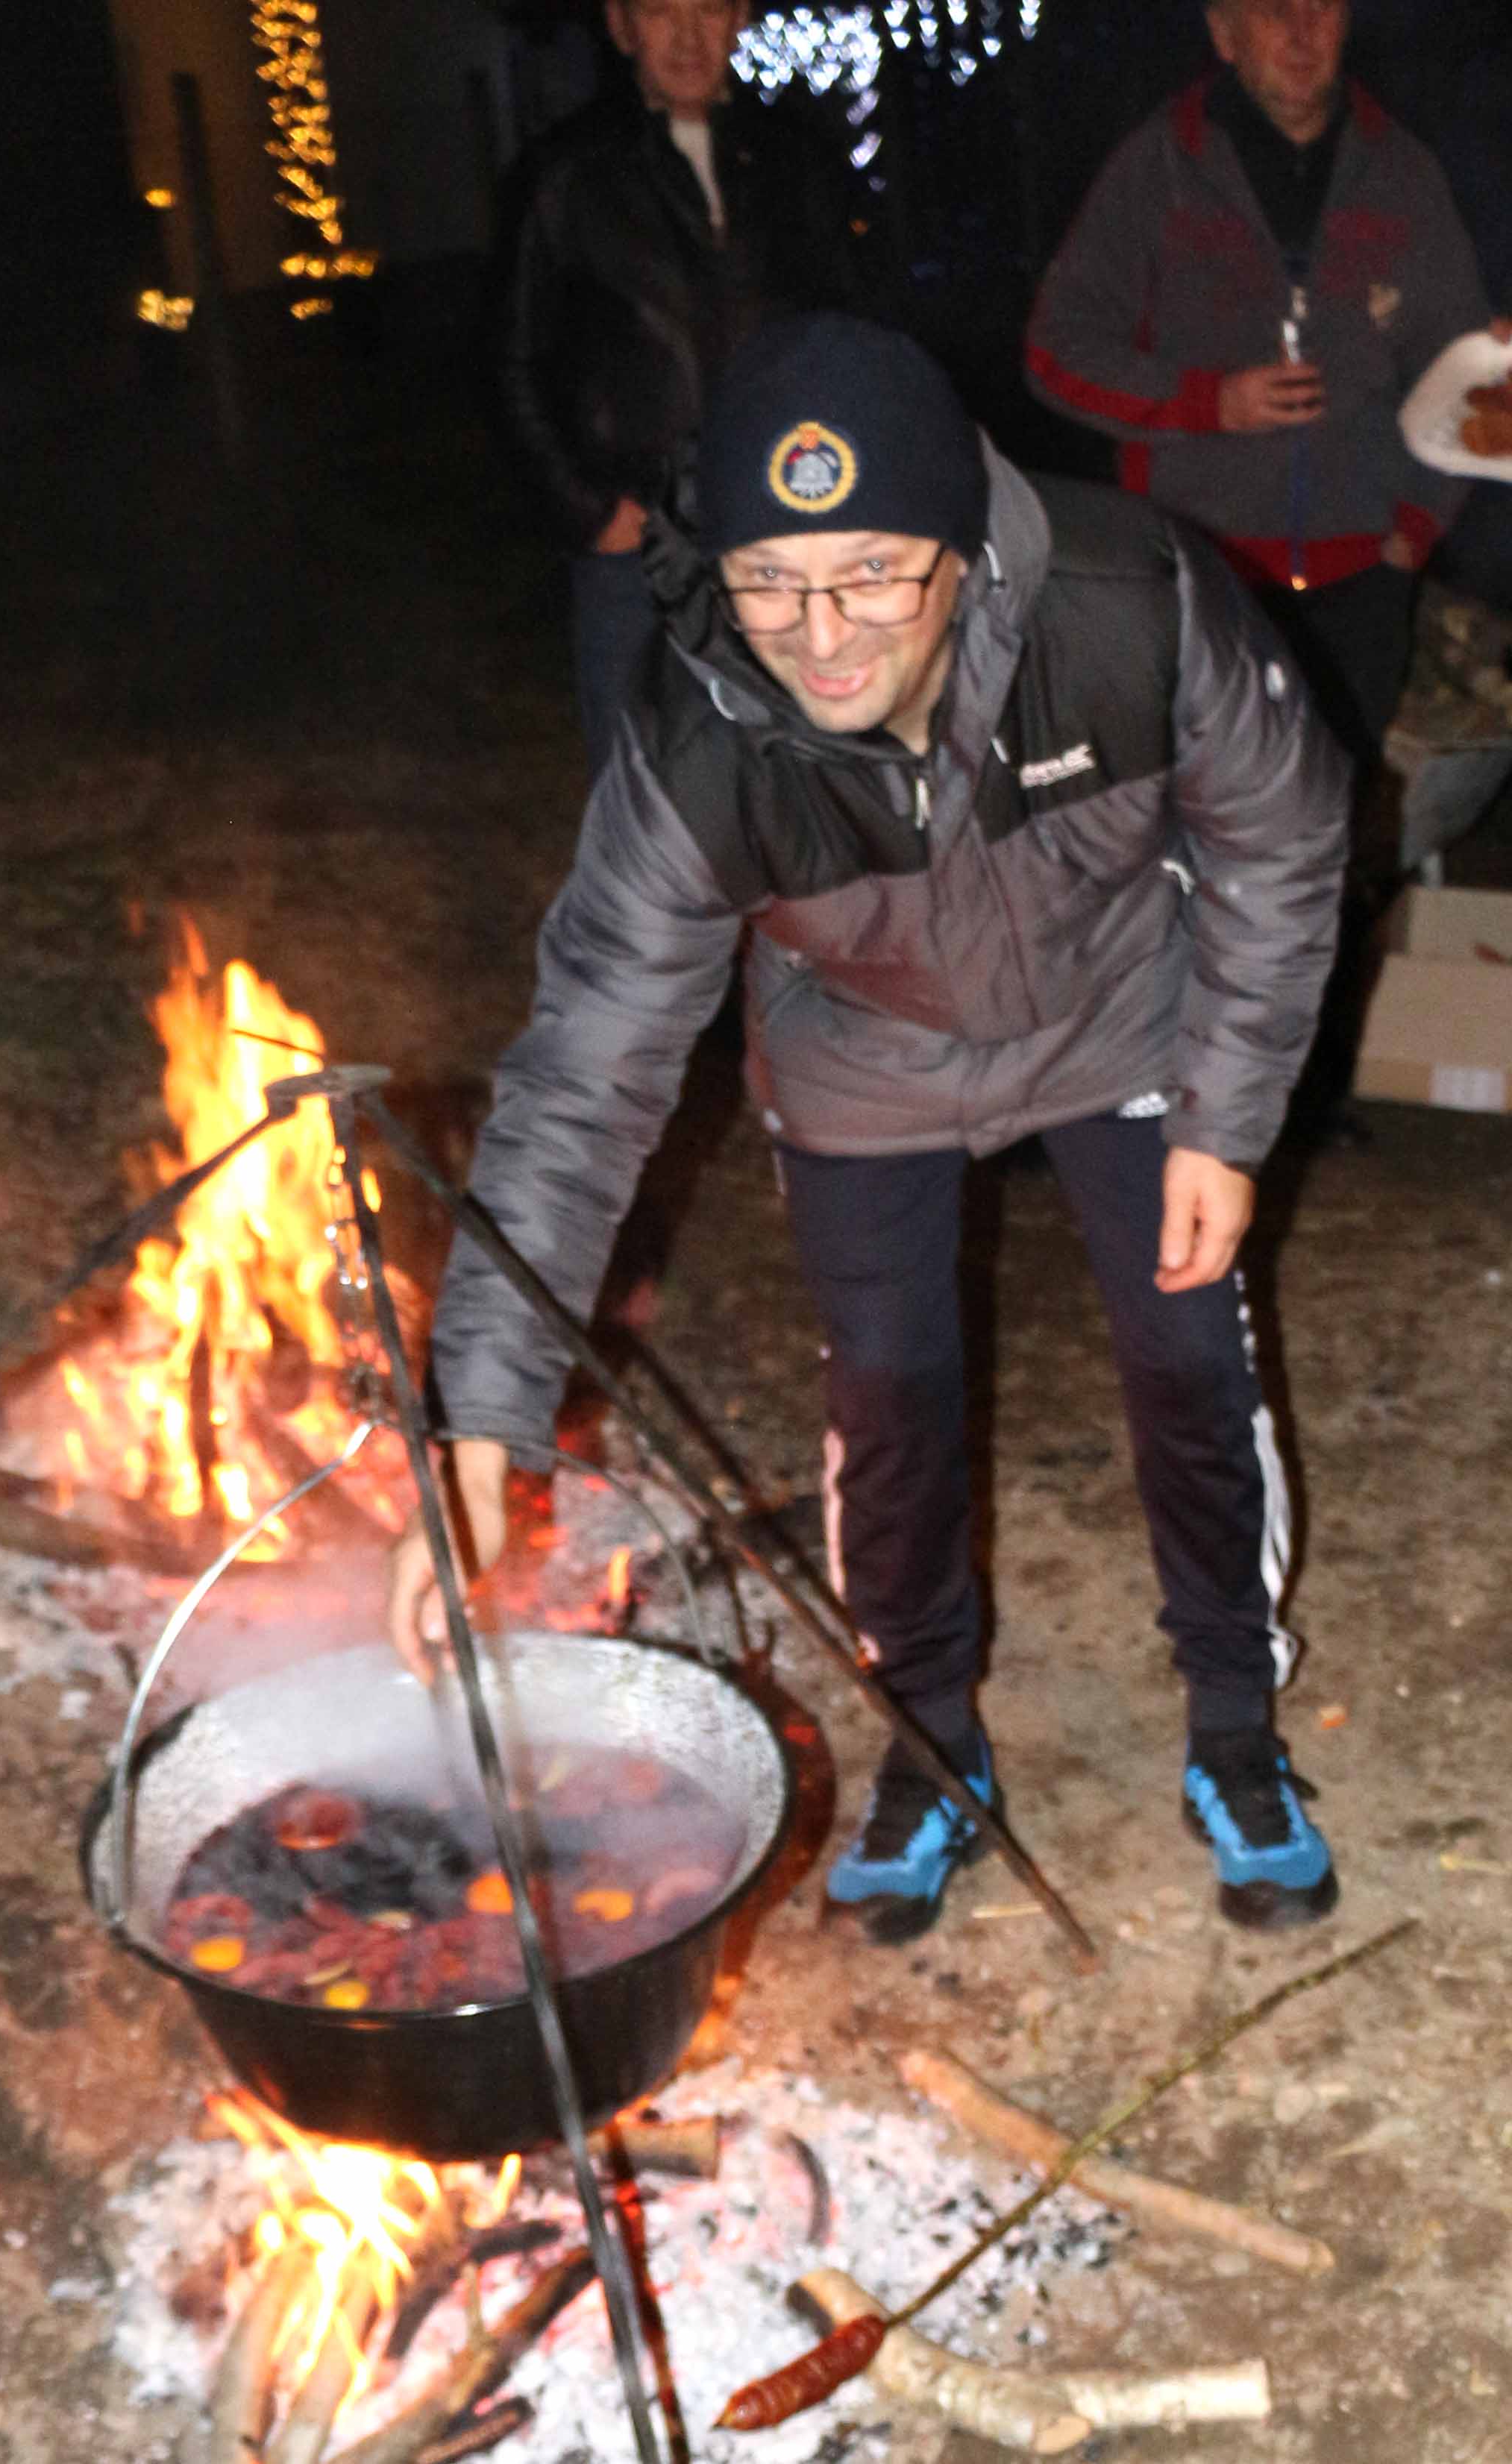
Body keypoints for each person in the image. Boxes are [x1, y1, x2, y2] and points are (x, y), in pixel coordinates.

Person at [388, 312, 1352, 1944]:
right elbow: (582, 1074)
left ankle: (1236, 1726)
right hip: (861, 1059)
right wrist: (478, 1414)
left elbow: (1285, 832)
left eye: (872, 576)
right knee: (889, 1405)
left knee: (1190, 1359)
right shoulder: (699, 740)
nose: (820, 637)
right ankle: (931, 1742)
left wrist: (1225, 1113)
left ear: (963, 545)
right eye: (770, 581)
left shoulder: (1128, 603)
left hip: (1121, 1013)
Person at [1025, 0, 1490, 773]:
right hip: (1200, 577)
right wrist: (1208, 403)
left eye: (1321, 7)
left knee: (1337, 812)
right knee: (1208, 810)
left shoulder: (1402, 172)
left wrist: (1416, 523)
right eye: (1274, 10)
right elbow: (1055, 353)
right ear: (1223, 33)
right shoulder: (1159, 167)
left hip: (1362, 578)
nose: (1302, 32)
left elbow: (1458, 363)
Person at [498, 0, 862, 776]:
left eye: (709, 9)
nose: (688, 36)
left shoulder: (798, 159)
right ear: (622, 25)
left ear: (739, 19)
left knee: (793, 774)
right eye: (663, 11)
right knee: (644, 782)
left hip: (782, 525)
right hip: (634, 545)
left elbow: (851, 331)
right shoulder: (565, 172)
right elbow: (514, 362)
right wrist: (589, 510)